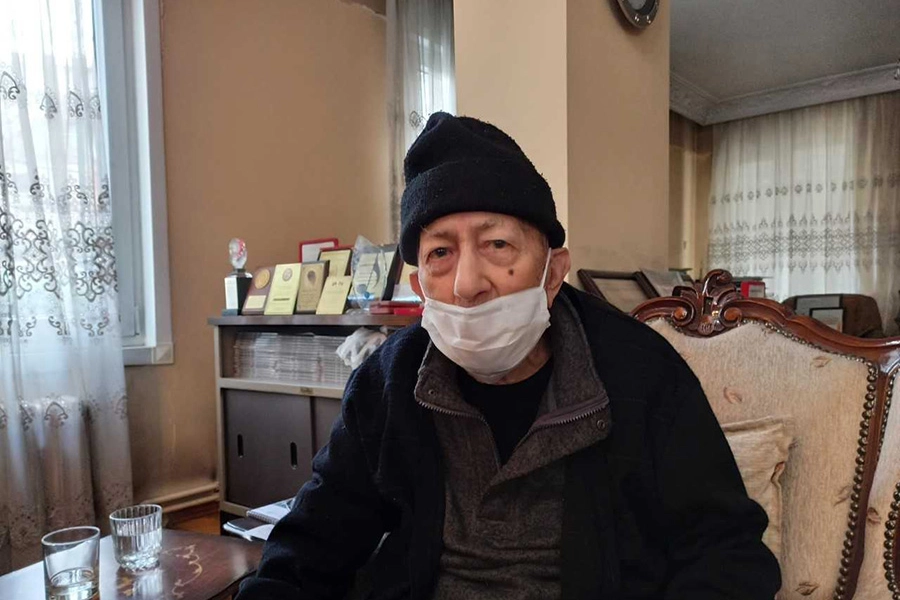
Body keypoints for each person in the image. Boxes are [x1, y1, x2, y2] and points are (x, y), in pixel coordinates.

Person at [236, 113, 781, 600]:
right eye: (440, 253)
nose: (467, 283)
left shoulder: (642, 373)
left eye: (497, 245)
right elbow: (313, 541)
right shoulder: (388, 382)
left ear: (554, 271)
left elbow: (727, 555)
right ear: (420, 288)